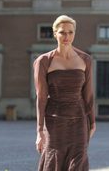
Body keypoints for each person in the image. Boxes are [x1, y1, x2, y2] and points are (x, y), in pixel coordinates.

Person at [33, 15, 96, 171]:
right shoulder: (43, 61)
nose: (66, 36)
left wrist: (92, 121)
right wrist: (39, 130)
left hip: (79, 121)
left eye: (70, 32)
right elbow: (41, 97)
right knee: (53, 159)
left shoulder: (85, 59)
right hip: (54, 122)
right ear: (55, 33)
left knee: (79, 161)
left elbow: (88, 94)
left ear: (75, 33)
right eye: (62, 32)